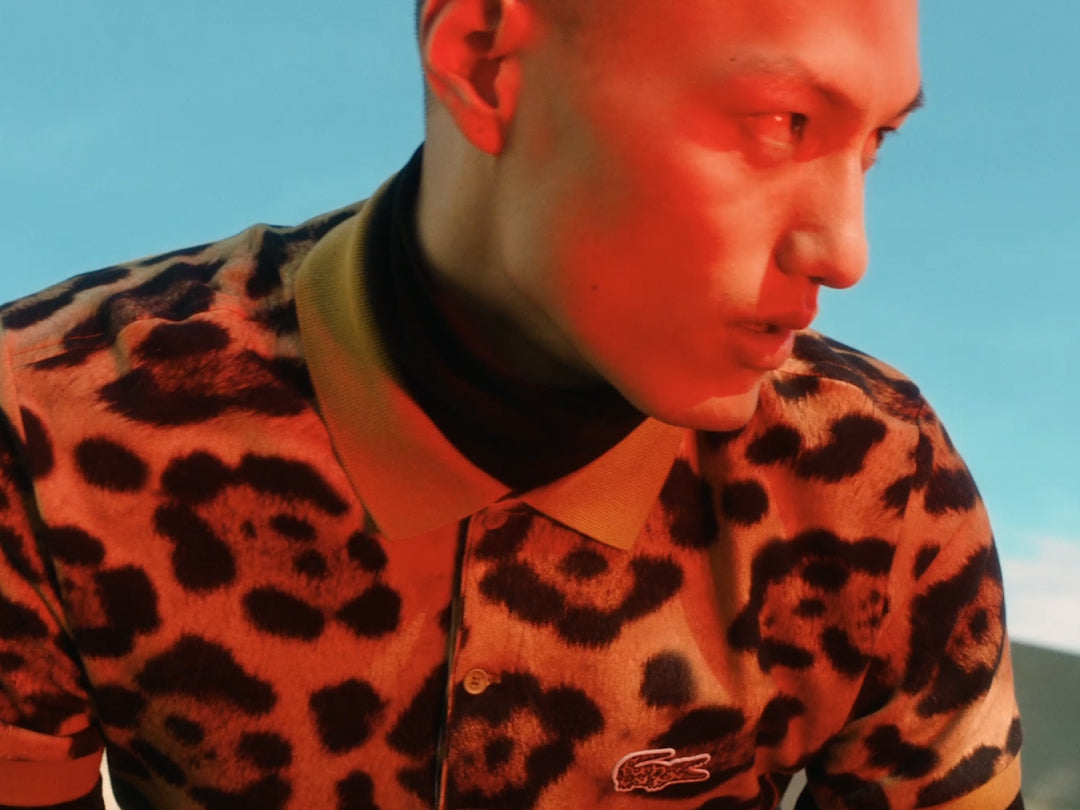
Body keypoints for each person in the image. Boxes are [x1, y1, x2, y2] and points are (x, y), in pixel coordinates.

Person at [0, 0, 1024, 808]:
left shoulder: (882, 484)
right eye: (780, 123)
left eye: (874, 143)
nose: (846, 251)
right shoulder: (48, 419)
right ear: (487, 64)